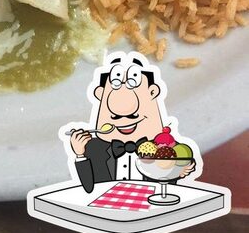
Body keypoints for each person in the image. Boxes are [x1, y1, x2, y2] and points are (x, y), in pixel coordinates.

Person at [70, 55, 196, 193]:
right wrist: (80, 154)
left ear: (153, 92)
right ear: (100, 94)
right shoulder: (94, 148)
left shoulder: (163, 147)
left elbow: (166, 181)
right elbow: (88, 188)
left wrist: (181, 169)